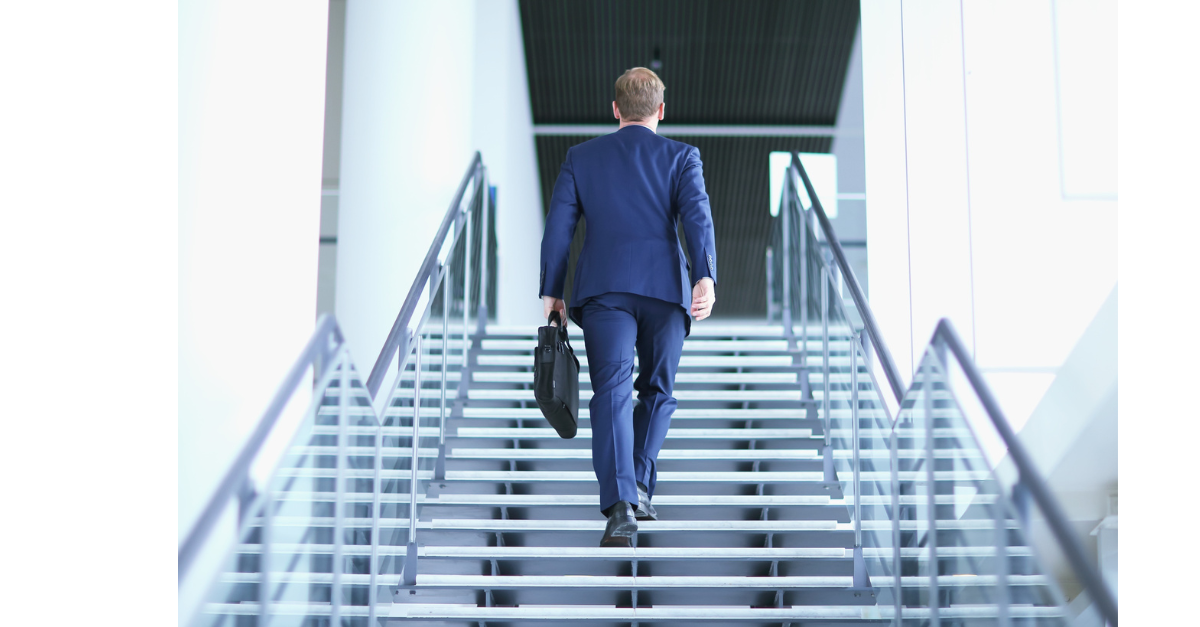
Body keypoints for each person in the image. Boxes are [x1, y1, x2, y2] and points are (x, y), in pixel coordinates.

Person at [538, 67, 717, 547]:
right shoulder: (682, 157)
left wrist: (552, 291)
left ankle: (621, 507)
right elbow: (697, 216)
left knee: (612, 392)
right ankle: (638, 482)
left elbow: (558, 229)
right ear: (661, 110)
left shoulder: (581, 158)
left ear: (615, 109)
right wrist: (704, 276)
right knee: (658, 390)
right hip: (666, 292)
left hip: (604, 291)